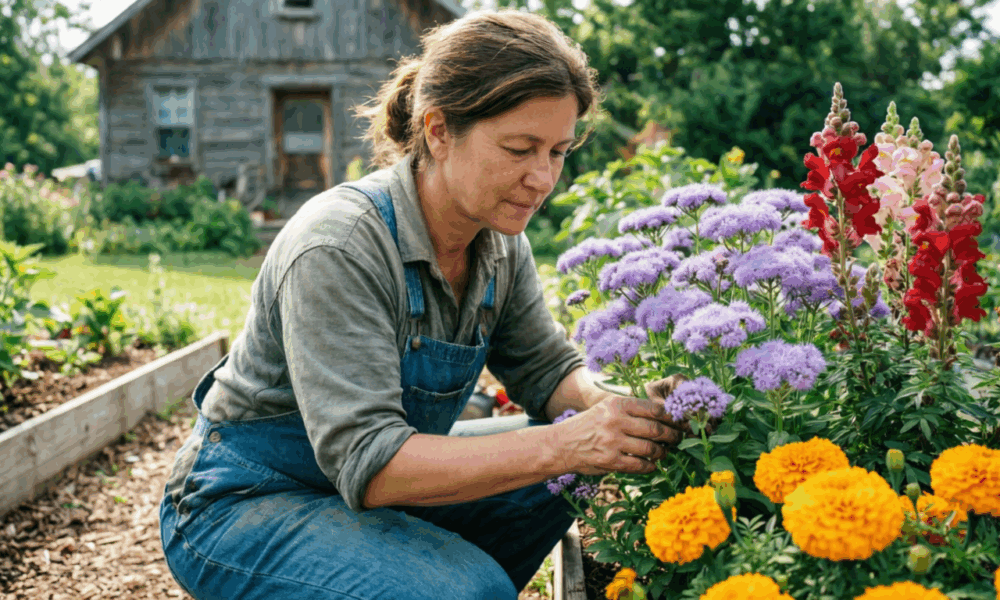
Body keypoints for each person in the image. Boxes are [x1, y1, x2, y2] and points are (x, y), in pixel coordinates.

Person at [159, 10, 681, 600]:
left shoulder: (499, 241)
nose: (543, 177)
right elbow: (373, 463)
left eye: (558, 151)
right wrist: (570, 440)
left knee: (564, 471)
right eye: (520, 148)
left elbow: (547, 370)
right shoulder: (341, 243)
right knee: (473, 584)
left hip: (360, 492)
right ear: (437, 130)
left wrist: (620, 406)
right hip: (246, 501)